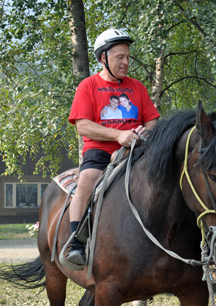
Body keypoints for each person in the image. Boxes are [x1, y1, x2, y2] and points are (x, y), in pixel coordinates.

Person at [67, 29, 160, 267]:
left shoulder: (137, 87)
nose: (126, 62)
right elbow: (83, 126)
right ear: (103, 58)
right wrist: (118, 134)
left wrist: (145, 132)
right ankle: (75, 242)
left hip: (138, 150)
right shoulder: (87, 86)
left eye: (128, 57)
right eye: (120, 57)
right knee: (87, 179)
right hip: (100, 152)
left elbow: (152, 120)